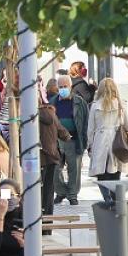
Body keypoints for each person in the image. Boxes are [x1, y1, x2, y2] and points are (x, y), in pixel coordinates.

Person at [87, 78, 128, 202]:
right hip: (117, 141)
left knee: (101, 173)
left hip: (100, 140)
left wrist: (89, 145)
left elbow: (90, 129)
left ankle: (107, 199)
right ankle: (116, 199)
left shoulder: (95, 106)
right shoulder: (121, 104)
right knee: (115, 172)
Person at [53, 75, 90, 206]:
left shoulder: (79, 102)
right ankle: (61, 191)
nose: (63, 89)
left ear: (70, 87)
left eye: (65, 86)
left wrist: (85, 141)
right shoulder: (53, 102)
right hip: (57, 141)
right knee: (55, 168)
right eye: (60, 87)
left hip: (74, 140)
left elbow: (85, 122)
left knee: (74, 169)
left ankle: (72, 194)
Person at [39, 80, 72, 217]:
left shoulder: (29, 115)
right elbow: (61, 131)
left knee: (37, 191)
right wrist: (68, 137)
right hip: (51, 155)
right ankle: (48, 225)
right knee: (48, 191)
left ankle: (38, 222)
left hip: (36, 158)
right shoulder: (50, 113)